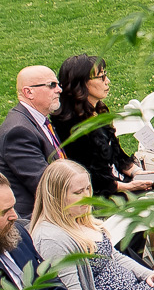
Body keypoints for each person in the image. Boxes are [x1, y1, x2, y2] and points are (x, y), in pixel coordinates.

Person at [29, 158, 154, 290]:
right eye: (78, 193)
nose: (86, 197)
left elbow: (114, 256)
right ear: (56, 196)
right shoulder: (52, 239)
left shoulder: (79, 218)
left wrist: (149, 275)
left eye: (87, 189)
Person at [50, 54, 144, 202]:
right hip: (100, 198)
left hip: (118, 182)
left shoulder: (97, 111)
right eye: (101, 77)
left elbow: (117, 153)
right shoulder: (71, 127)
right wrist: (130, 186)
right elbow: (91, 177)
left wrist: (137, 172)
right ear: (81, 84)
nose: (108, 82)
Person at [0, 64, 63, 220]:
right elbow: (46, 186)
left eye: (58, 85)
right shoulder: (18, 131)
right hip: (34, 221)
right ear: (29, 92)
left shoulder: (38, 121)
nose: (59, 90)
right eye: (52, 85)